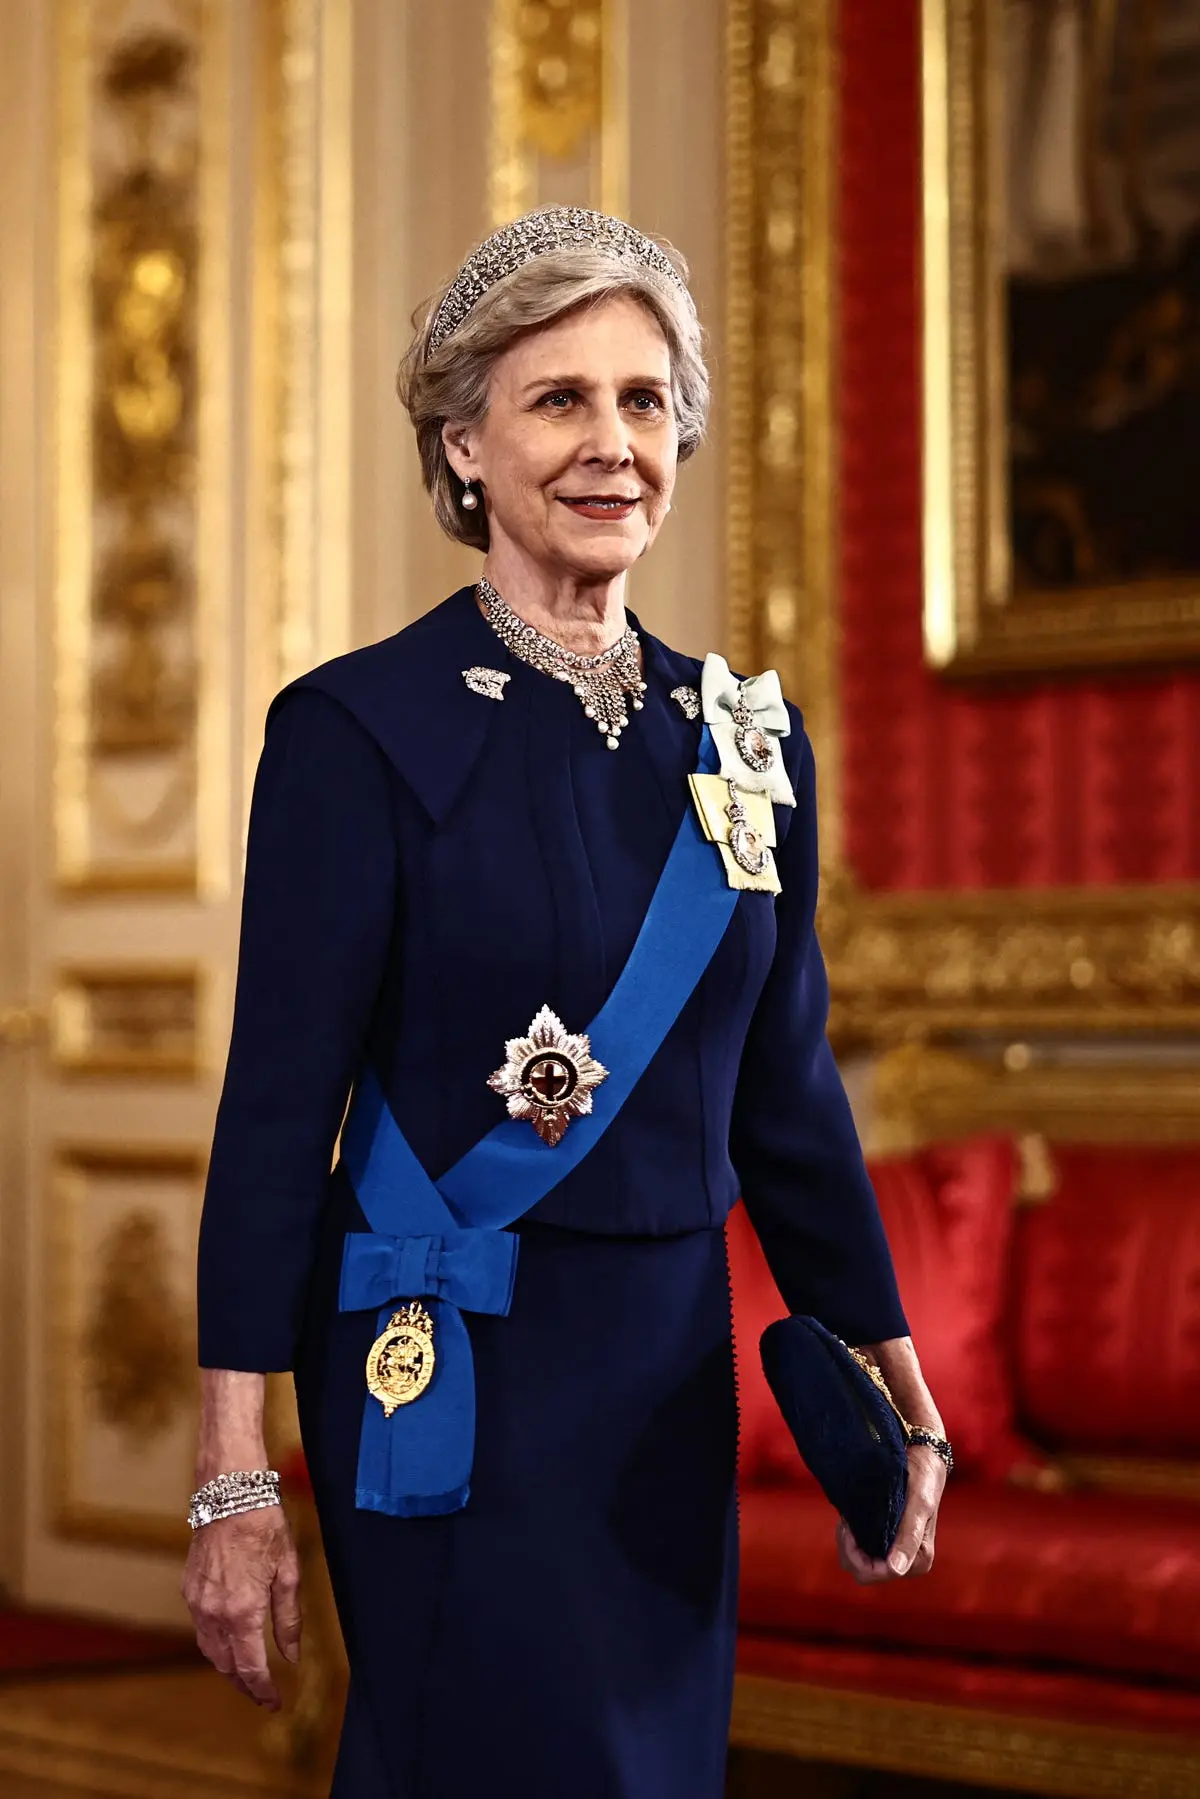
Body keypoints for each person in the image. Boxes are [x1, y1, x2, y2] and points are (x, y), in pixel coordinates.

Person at [183, 206, 950, 1799]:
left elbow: (787, 1088)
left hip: (665, 1379)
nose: (613, 442)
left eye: (643, 400)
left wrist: (888, 1356)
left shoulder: (746, 743)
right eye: (559, 399)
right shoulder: (355, 732)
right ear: (465, 444)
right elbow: (273, 1118)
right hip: (447, 1357)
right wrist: (233, 1466)